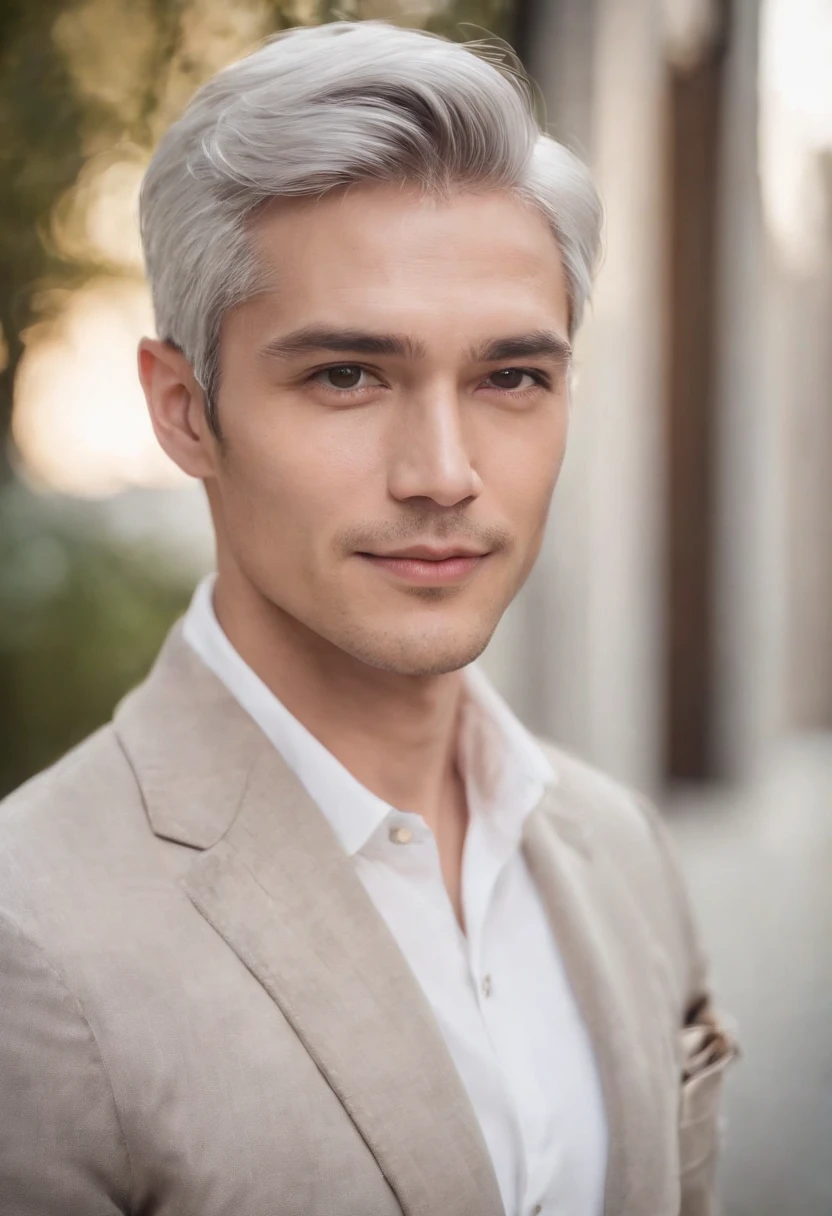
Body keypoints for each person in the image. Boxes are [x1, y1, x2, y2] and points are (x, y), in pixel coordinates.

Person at [0, 20, 736, 1216]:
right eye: (347, 374)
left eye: (510, 377)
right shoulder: (29, 941)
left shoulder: (621, 848)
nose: (443, 472)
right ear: (185, 411)